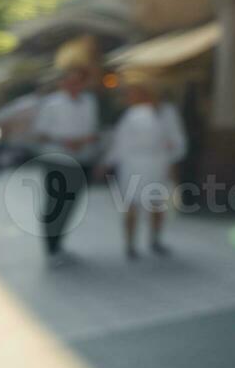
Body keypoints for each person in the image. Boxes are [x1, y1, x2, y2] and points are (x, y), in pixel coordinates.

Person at [103, 74, 183, 259]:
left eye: (133, 93)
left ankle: (155, 240)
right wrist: (108, 162)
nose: (129, 97)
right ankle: (130, 244)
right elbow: (120, 141)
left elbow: (177, 139)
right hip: (133, 164)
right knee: (131, 204)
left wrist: (173, 153)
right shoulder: (131, 114)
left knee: (156, 204)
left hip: (157, 163)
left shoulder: (167, 112)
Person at [28, 66, 100, 266]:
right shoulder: (52, 104)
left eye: (78, 81)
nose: (73, 85)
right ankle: (50, 248)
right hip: (57, 159)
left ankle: (58, 244)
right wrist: (64, 141)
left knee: (70, 204)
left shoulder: (89, 102)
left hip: (81, 159)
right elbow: (40, 131)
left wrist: (86, 141)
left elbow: (93, 129)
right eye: (70, 81)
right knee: (55, 204)